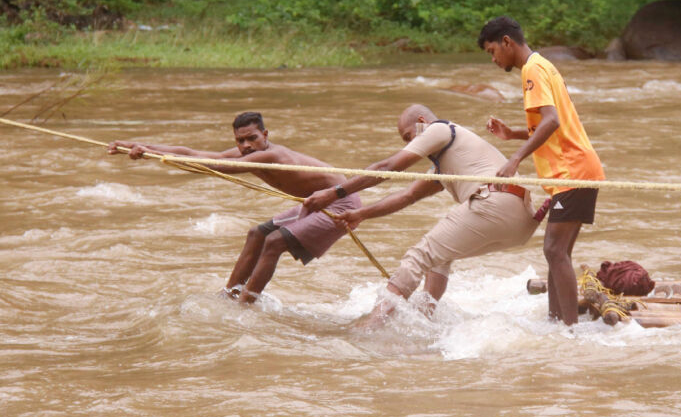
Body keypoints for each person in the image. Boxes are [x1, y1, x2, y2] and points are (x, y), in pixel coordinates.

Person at [303, 104, 539, 318]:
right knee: (439, 257)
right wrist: (362, 214)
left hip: (495, 202)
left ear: (421, 122)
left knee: (419, 256)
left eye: (409, 137)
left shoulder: (440, 129)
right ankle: (425, 319)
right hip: (521, 222)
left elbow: (387, 167)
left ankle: (372, 324)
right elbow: (408, 196)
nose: (408, 145)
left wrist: (333, 193)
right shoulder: (444, 163)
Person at [107, 111, 360, 304]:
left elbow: (216, 166)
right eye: (240, 141)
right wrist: (139, 146)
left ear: (265, 135)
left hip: (340, 203)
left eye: (252, 138)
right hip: (316, 202)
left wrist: (160, 157)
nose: (246, 145)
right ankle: (229, 294)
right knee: (257, 234)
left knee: (274, 242)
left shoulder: (271, 155)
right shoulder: (249, 152)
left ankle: (245, 304)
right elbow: (195, 153)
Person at [478, 16, 605, 325]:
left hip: (572, 171)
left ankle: (570, 330)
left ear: (507, 42)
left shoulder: (533, 70)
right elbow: (549, 124)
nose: (493, 59)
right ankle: (555, 322)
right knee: (557, 252)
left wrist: (515, 158)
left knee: (554, 250)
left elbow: (551, 121)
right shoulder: (542, 65)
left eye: (493, 51)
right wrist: (513, 134)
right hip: (576, 170)